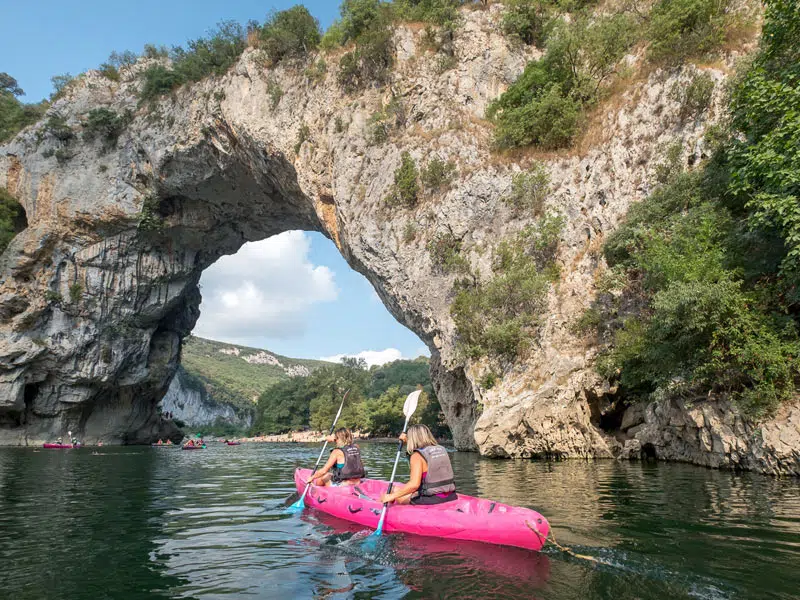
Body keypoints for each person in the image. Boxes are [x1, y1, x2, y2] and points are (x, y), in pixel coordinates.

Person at [380, 424, 457, 506]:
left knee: (393, 490)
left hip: (432, 500)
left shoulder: (417, 456)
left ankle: (379, 505)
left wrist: (392, 496)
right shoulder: (442, 449)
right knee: (408, 491)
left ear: (412, 438)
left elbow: (414, 485)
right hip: (451, 496)